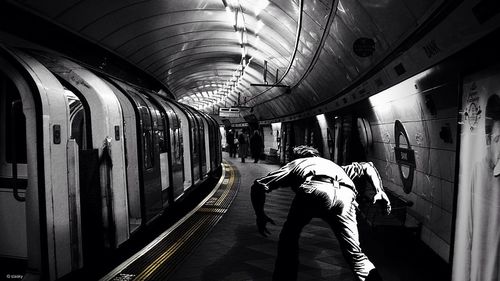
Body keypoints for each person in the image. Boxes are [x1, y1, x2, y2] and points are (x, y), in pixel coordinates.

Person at [250, 145, 391, 281]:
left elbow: (258, 185)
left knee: (289, 237)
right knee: (356, 255)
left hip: (314, 188)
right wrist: (380, 191)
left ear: (297, 157)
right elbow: (368, 166)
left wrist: (260, 215)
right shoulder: (332, 165)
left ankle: (284, 278)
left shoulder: (297, 163)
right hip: (346, 195)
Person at [455, 94, 500, 281]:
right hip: (476, 268)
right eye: (496, 139)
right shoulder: (477, 170)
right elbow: (468, 231)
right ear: (488, 138)